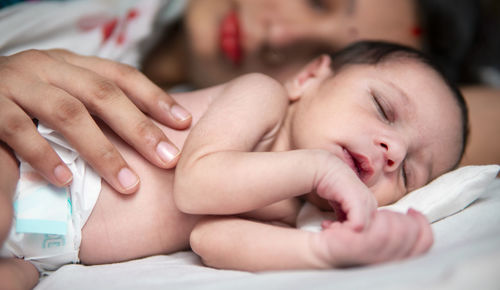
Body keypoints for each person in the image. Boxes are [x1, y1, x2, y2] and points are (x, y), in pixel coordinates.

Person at [0, 41, 467, 289]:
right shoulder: (262, 98)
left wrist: (323, 253)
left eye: (408, 173)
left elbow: (212, 239)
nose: (392, 151)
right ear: (308, 78)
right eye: (384, 109)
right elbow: (197, 184)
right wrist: (319, 167)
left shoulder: (299, 208)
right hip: (32, 159)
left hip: (43, 250)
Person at [1, 0, 495, 199]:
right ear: (311, 79)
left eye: (324, 50)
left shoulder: (262, 169)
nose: (280, 34)